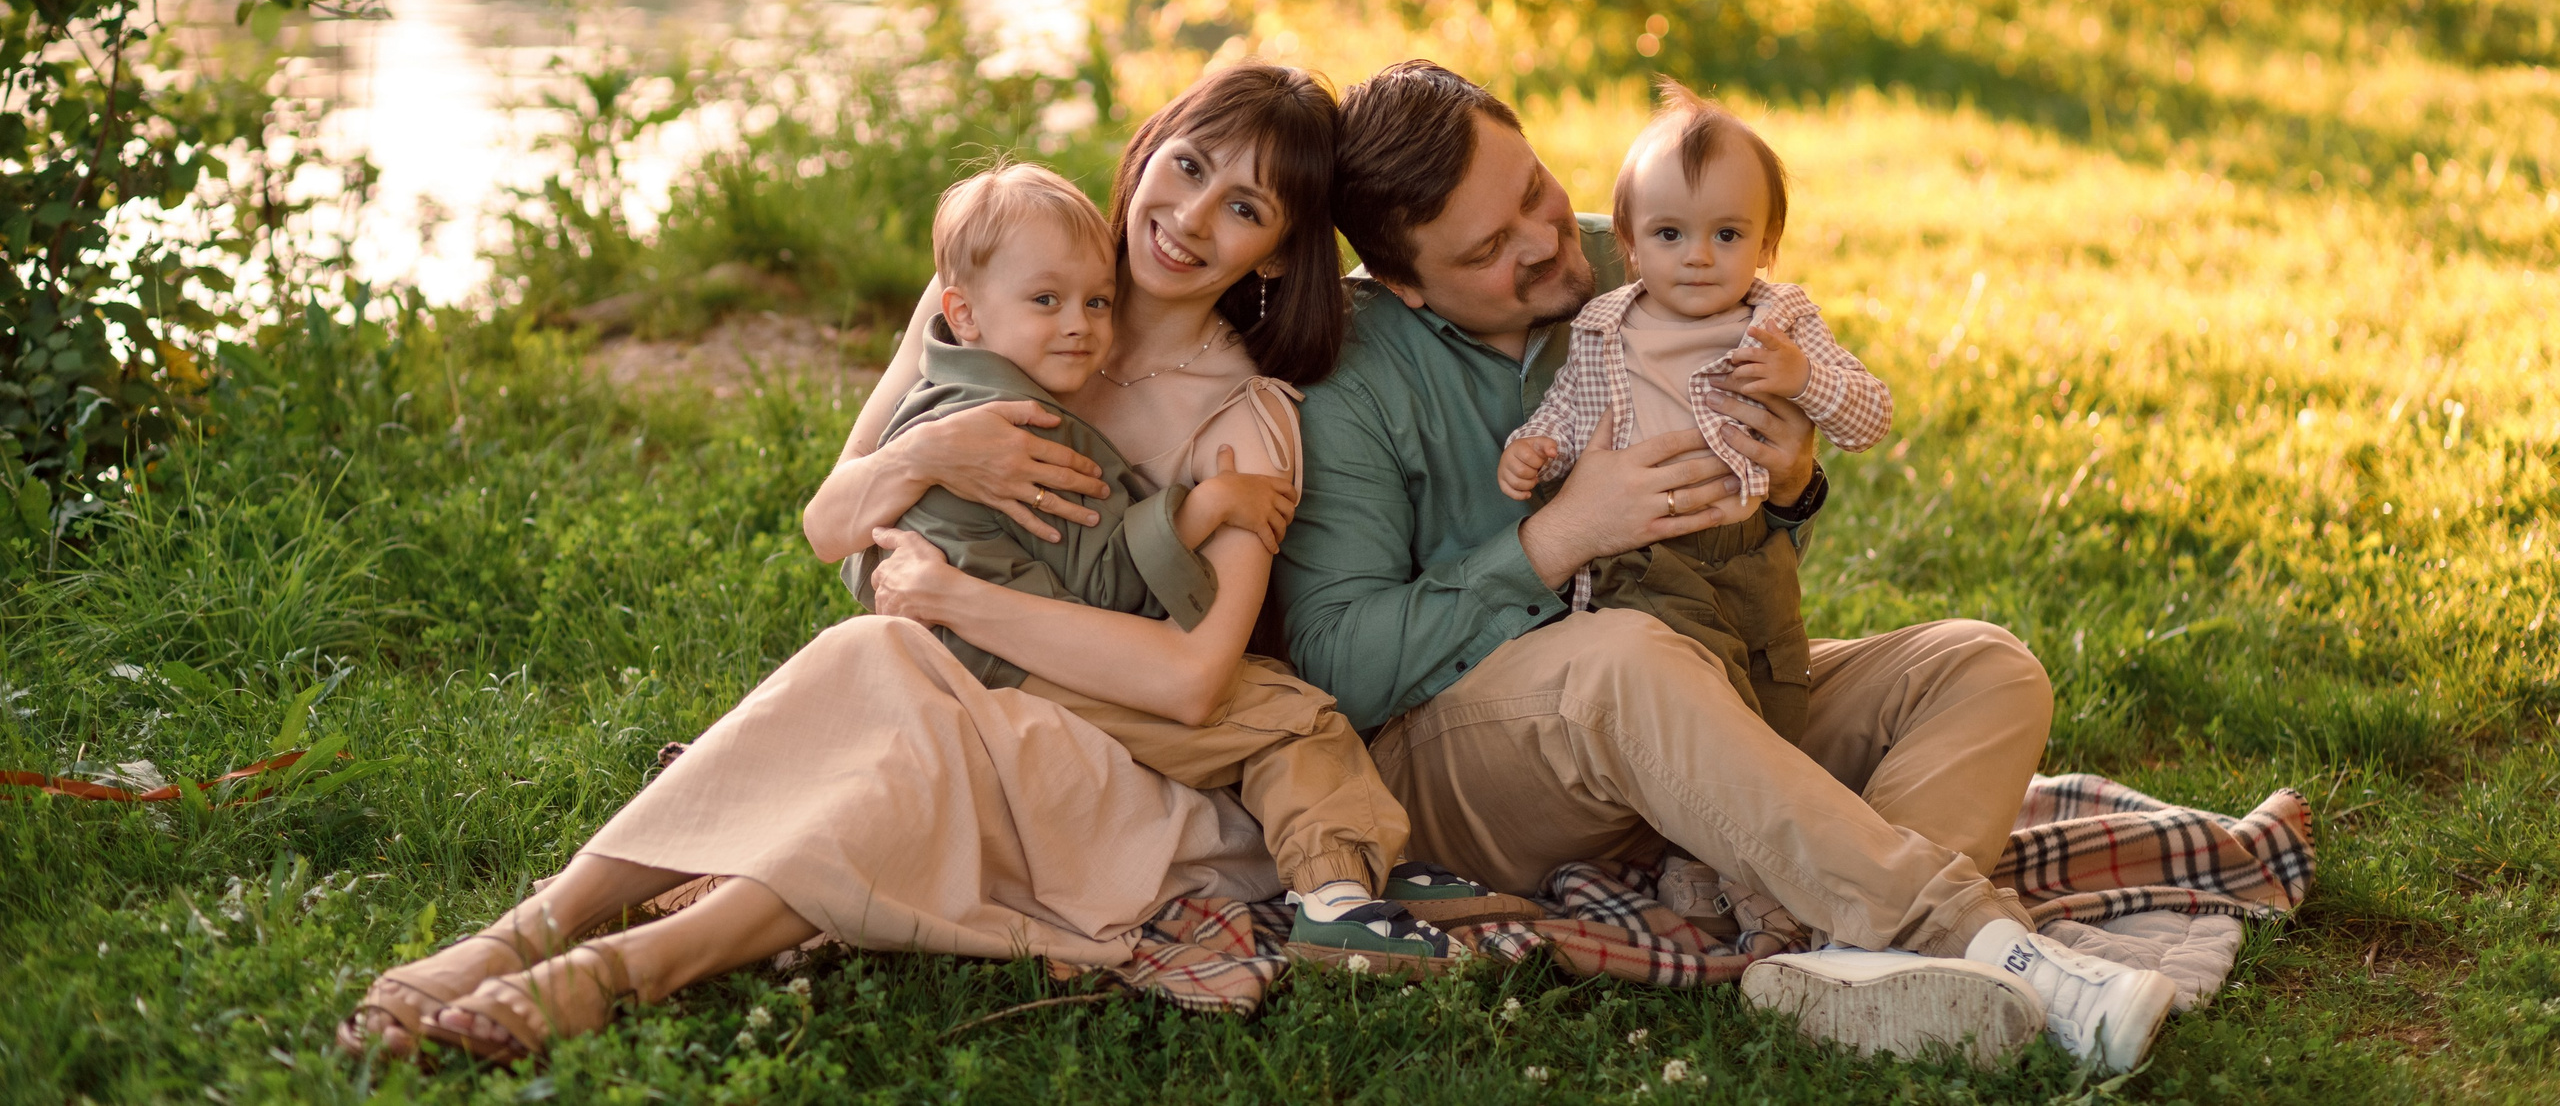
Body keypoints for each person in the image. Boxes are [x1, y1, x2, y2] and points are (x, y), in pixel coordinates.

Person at [338, 63, 1414, 1063]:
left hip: (1139, 772)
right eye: (1189, 166)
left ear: (1274, 251)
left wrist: (950, 599)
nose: (1188, 217)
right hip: (938, 685)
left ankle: (621, 968)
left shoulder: (1244, 423)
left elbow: (1190, 683)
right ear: (1148, 149)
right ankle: (527, 934)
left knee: (896, 670)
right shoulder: (991, 293)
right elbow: (832, 525)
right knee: (893, 670)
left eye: (1243, 207)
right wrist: (930, 448)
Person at [1274, 59, 2177, 1072]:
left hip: (1694, 691)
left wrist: (1788, 482)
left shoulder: (1646, 261)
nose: (1545, 242)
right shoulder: (1350, 374)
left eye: (1533, 191)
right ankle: (1982, 943)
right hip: (1465, 764)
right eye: (1490, 249)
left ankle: (1835, 959)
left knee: (1978, 667)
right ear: (1399, 280)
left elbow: (1746, 540)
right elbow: (1335, 666)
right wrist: (1558, 537)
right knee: (1622, 657)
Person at [851, 158, 1459, 971]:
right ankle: (1337, 898)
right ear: (965, 311)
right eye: (1048, 302)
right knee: (1292, 717)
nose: (1079, 324)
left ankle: (1354, 862)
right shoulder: (1027, 427)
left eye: (1095, 303)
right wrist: (1201, 507)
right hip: (1014, 667)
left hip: (967, 650)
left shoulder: (949, 381)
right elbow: (1106, 575)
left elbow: (853, 548)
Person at [1494, 82, 1892, 743]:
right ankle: (1733, 823)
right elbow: (1567, 414)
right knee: (1706, 711)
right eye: (1670, 232)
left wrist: (1806, 378)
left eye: (1727, 233)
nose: (1698, 255)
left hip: (1753, 550)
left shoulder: (1783, 321)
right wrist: (1534, 446)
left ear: (1768, 243)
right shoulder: (1606, 329)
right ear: (1631, 242)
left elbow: (1871, 418)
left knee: (1779, 691)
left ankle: (1752, 821)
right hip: (1647, 559)